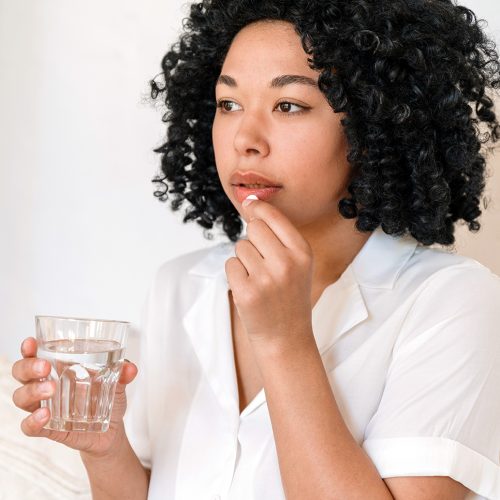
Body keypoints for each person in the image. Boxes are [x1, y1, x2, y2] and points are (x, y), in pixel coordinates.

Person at [11, 0, 500, 498]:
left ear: (374, 127)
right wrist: (106, 449)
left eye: (288, 105)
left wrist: (285, 342)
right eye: (229, 105)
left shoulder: (451, 301)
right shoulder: (181, 286)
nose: (246, 137)